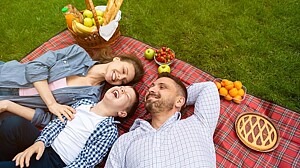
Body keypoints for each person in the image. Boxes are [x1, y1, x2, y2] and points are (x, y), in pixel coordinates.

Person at [0, 44, 144, 127]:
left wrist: (8, 105)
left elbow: (49, 120)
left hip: (8, 104)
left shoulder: (90, 99)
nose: (119, 77)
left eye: (123, 81)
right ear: (116, 59)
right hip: (7, 75)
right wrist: (51, 103)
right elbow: (36, 66)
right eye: (123, 70)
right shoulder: (77, 53)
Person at [0, 85, 139, 168]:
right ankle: (9, 158)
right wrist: (40, 142)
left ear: (122, 112)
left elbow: (87, 162)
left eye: (126, 94)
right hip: (46, 144)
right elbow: (58, 123)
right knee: (13, 124)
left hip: (57, 161)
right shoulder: (83, 103)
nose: (121, 90)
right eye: (121, 87)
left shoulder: (109, 130)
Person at [105, 73, 220, 167]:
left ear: (180, 101)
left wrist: (180, 97)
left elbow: (208, 88)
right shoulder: (126, 140)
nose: (151, 89)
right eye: (152, 86)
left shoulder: (198, 123)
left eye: (162, 87)